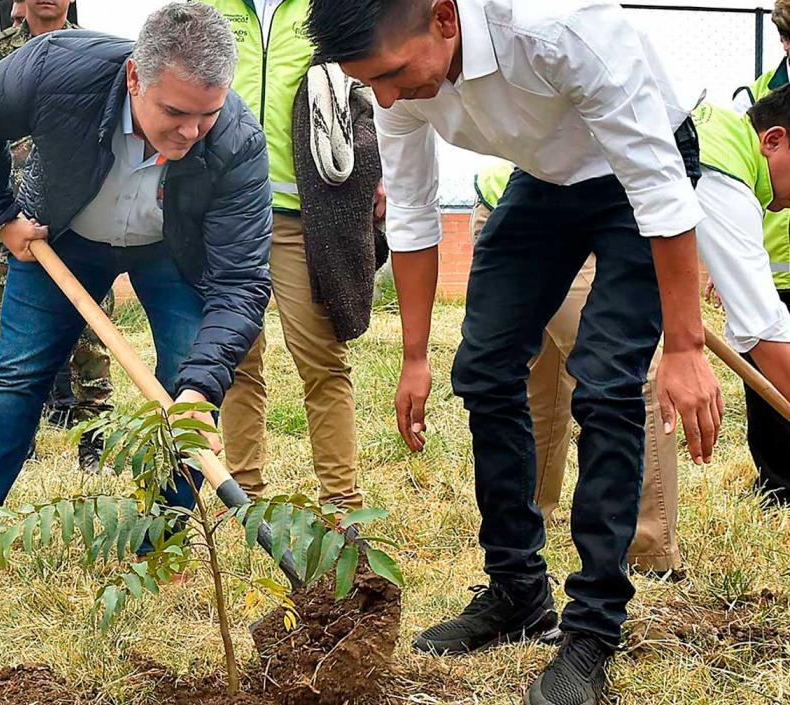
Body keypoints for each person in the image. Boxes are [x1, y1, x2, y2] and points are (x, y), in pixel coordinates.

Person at [306, 2, 724, 704]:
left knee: (604, 384)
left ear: (444, 17)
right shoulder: (400, 76)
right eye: (368, 83)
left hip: (639, 172)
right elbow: (410, 208)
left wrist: (683, 343)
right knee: (484, 369)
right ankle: (518, 591)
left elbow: (657, 185)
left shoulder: (557, 27)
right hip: (549, 179)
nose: (383, 97)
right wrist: (414, 356)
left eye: (391, 75)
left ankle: (592, 630)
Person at [0, 3, 271, 605]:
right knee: (17, 374)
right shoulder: (58, 70)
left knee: (185, 390)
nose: (189, 132)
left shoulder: (235, 142)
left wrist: (202, 388)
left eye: (206, 114)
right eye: (173, 112)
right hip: (63, 239)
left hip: (171, 250)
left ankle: (166, 548)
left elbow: (240, 284)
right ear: (133, 78)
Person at [206, 0, 382, 511]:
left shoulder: (323, 8)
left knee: (322, 359)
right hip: (227, 216)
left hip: (302, 215)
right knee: (235, 358)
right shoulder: (210, 7)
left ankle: (343, 505)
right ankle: (245, 500)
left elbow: (369, 84)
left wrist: (382, 168)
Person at [471, 162, 683, 575]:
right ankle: (531, 521)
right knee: (546, 380)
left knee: (618, 380)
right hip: (518, 209)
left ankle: (647, 545)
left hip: (599, 209)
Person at [0, 0, 114, 473]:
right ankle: (18, 439)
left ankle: (94, 440)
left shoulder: (94, 54)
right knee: (17, 335)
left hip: (79, 217)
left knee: (91, 331)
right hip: (15, 222)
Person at [728, 1, 790, 506]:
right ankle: (777, 482)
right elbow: (759, 326)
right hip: (770, 260)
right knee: (768, 349)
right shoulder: (763, 94)